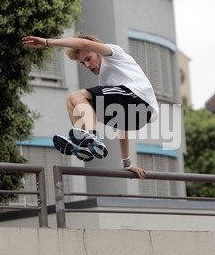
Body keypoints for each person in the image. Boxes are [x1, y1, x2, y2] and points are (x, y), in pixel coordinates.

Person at [22, 32, 159, 179]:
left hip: (141, 101)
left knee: (78, 96)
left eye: (88, 59)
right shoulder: (107, 83)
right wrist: (126, 163)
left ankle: (92, 136)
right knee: (72, 100)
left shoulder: (113, 53)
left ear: (98, 52)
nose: (87, 65)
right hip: (135, 116)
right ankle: (83, 145)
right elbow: (121, 125)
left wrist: (48, 42)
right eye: (83, 63)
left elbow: (85, 44)